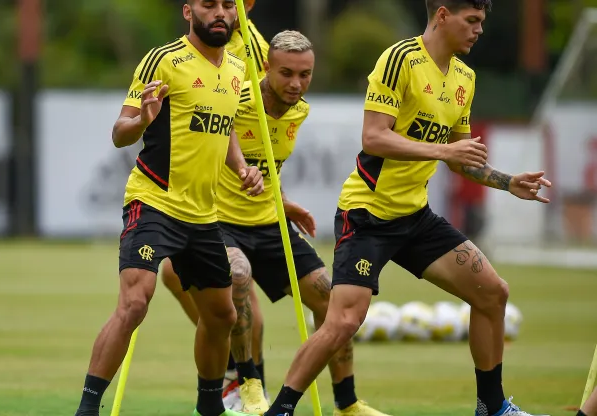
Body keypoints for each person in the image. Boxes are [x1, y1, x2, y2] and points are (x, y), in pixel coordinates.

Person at [262, 1, 553, 416]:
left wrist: (508, 182)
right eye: (472, 21)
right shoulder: (400, 59)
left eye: (481, 23)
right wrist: (443, 149)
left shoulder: (464, 79)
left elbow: (459, 159)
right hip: (366, 214)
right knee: (344, 321)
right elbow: (374, 138)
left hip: (415, 218)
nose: (478, 31)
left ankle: (493, 407)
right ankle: (282, 409)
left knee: (493, 293)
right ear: (442, 15)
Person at [160, 30, 391, 416]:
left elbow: (269, 166)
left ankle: (347, 403)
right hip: (220, 221)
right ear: (266, 66)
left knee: (331, 299)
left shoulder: (300, 111)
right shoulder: (237, 100)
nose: (296, 84)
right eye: (286, 73)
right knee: (237, 276)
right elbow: (205, 147)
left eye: (305, 74)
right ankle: (248, 382)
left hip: (269, 223)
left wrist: (284, 203)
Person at [72, 1, 264, 416]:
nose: (219, 12)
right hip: (155, 201)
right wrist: (141, 120)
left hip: (202, 213)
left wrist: (243, 166)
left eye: (227, 5)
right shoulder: (164, 60)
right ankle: (87, 409)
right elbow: (120, 133)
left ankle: (209, 406)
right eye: (208, 4)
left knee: (222, 315)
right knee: (135, 303)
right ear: (188, 11)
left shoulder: (236, 68)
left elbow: (225, 126)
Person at [159, 0, 271, 409]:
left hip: (232, 193)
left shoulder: (250, 47)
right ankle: (232, 373)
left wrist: (252, 171)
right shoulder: (197, 42)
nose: (223, 8)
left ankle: (248, 382)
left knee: (238, 290)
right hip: (199, 190)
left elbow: (262, 118)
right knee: (178, 276)